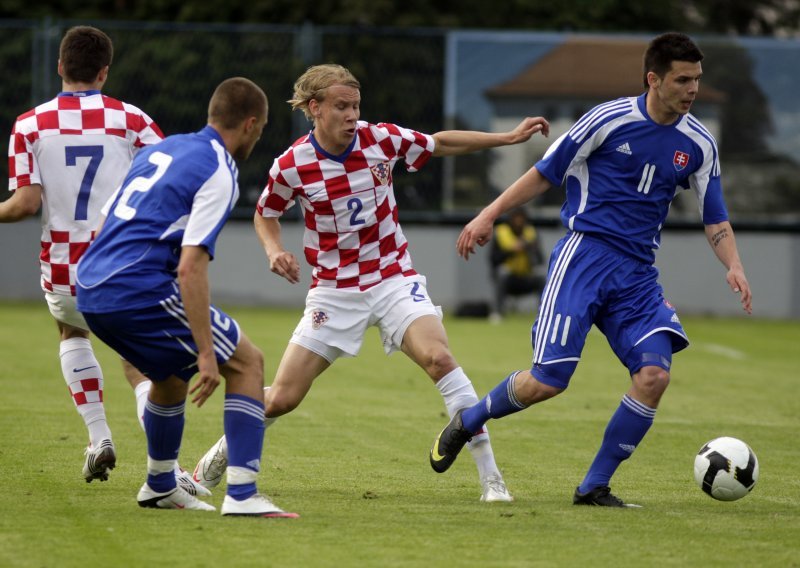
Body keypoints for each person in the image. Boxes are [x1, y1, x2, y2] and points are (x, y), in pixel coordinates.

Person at [192, 63, 550, 503]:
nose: (351, 115)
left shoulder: (380, 139)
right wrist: (273, 251)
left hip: (392, 277)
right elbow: (265, 213)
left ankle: (492, 481)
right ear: (314, 108)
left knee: (440, 358)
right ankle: (216, 457)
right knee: (283, 397)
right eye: (341, 106)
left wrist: (508, 138)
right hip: (334, 291)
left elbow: (440, 143)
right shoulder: (292, 164)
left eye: (355, 105)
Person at [429, 32, 752, 507]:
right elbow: (543, 173)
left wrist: (735, 265)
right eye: (682, 80)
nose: (692, 90)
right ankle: (470, 418)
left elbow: (714, 216)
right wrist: (488, 214)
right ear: (654, 79)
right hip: (584, 258)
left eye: (697, 80)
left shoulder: (699, 143)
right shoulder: (607, 119)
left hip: (638, 275)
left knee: (654, 376)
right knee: (548, 380)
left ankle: (594, 486)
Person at [75, 77, 296, 517]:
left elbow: (104, 227)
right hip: (136, 288)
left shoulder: (162, 148)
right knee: (247, 362)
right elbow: (190, 267)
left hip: (89, 284)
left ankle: (160, 484)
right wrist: (209, 355)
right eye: (263, 128)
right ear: (251, 125)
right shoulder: (219, 168)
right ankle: (242, 494)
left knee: (170, 377)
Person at [0, 26, 205, 492]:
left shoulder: (30, 124)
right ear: (105, 71)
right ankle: (166, 469)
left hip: (63, 267)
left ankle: (99, 438)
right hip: (125, 264)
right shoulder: (131, 120)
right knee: (139, 363)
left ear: (60, 66)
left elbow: (25, 203)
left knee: (72, 332)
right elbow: (170, 185)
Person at [488, 207, 545, 321]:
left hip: (526, 276)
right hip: (509, 278)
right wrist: (512, 251)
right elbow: (493, 259)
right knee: (502, 272)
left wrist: (528, 247)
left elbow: (540, 260)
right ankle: (498, 313)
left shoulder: (531, 233)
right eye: (516, 219)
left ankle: (543, 314)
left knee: (542, 275)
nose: (519, 222)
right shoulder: (501, 232)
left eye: (521, 219)